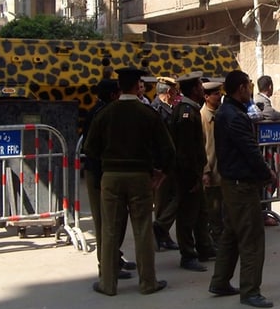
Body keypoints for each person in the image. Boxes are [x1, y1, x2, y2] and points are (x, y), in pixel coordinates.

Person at [84, 67, 175, 296]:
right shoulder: (147, 113)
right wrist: (160, 171)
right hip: (140, 177)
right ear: (137, 86)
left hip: (111, 177)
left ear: (119, 88)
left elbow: (90, 148)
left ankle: (108, 283)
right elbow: (167, 148)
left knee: (110, 229)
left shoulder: (105, 113)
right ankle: (148, 282)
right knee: (142, 229)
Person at [208, 70, 277, 308]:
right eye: (248, 87)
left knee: (232, 233)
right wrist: (267, 173)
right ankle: (250, 291)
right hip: (240, 185)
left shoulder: (228, 111)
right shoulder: (234, 116)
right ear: (240, 89)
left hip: (232, 182)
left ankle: (220, 280)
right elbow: (250, 150)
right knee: (251, 238)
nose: (250, 91)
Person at [81, 78, 135, 280]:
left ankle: (114, 258)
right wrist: (100, 180)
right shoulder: (100, 115)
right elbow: (92, 149)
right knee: (105, 224)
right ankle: (106, 266)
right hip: (99, 174)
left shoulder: (105, 112)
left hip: (105, 174)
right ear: (114, 95)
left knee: (116, 220)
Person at [170, 71, 216, 272]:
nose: (201, 87)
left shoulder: (191, 108)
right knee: (187, 214)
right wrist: (192, 176)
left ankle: (204, 247)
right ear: (194, 89)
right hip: (187, 173)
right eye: (199, 85)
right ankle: (188, 254)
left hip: (194, 170)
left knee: (201, 212)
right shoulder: (186, 112)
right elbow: (186, 149)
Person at [150, 77, 180, 251]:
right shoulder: (156, 110)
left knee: (173, 199)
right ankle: (161, 231)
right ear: (168, 92)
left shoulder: (167, 108)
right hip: (161, 165)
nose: (176, 94)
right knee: (162, 201)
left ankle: (162, 231)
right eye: (174, 91)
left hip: (169, 163)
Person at [254, 75, 280, 227]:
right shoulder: (261, 101)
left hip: (266, 149)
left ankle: (263, 212)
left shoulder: (262, 100)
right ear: (270, 87)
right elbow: (269, 114)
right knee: (270, 179)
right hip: (262, 150)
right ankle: (263, 213)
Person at [200, 79, 225, 245]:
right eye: (216, 94)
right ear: (206, 97)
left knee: (222, 208)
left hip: (224, 170)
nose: (219, 96)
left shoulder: (221, 114)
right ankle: (215, 239)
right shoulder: (202, 117)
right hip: (212, 171)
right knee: (213, 209)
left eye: (219, 93)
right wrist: (206, 171)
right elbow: (201, 147)